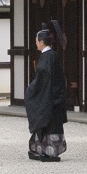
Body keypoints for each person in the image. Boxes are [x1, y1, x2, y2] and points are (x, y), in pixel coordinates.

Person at [24, 28, 68, 162]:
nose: (36, 43)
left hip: (50, 98)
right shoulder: (51, 55)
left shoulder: (48, 56)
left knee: (47, 122)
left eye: (37, 41)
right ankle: (43, 150)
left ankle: (49, 152)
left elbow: (43, 76)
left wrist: (31, 90)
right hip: (53, 96)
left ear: (42, 42)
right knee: (48, 123)